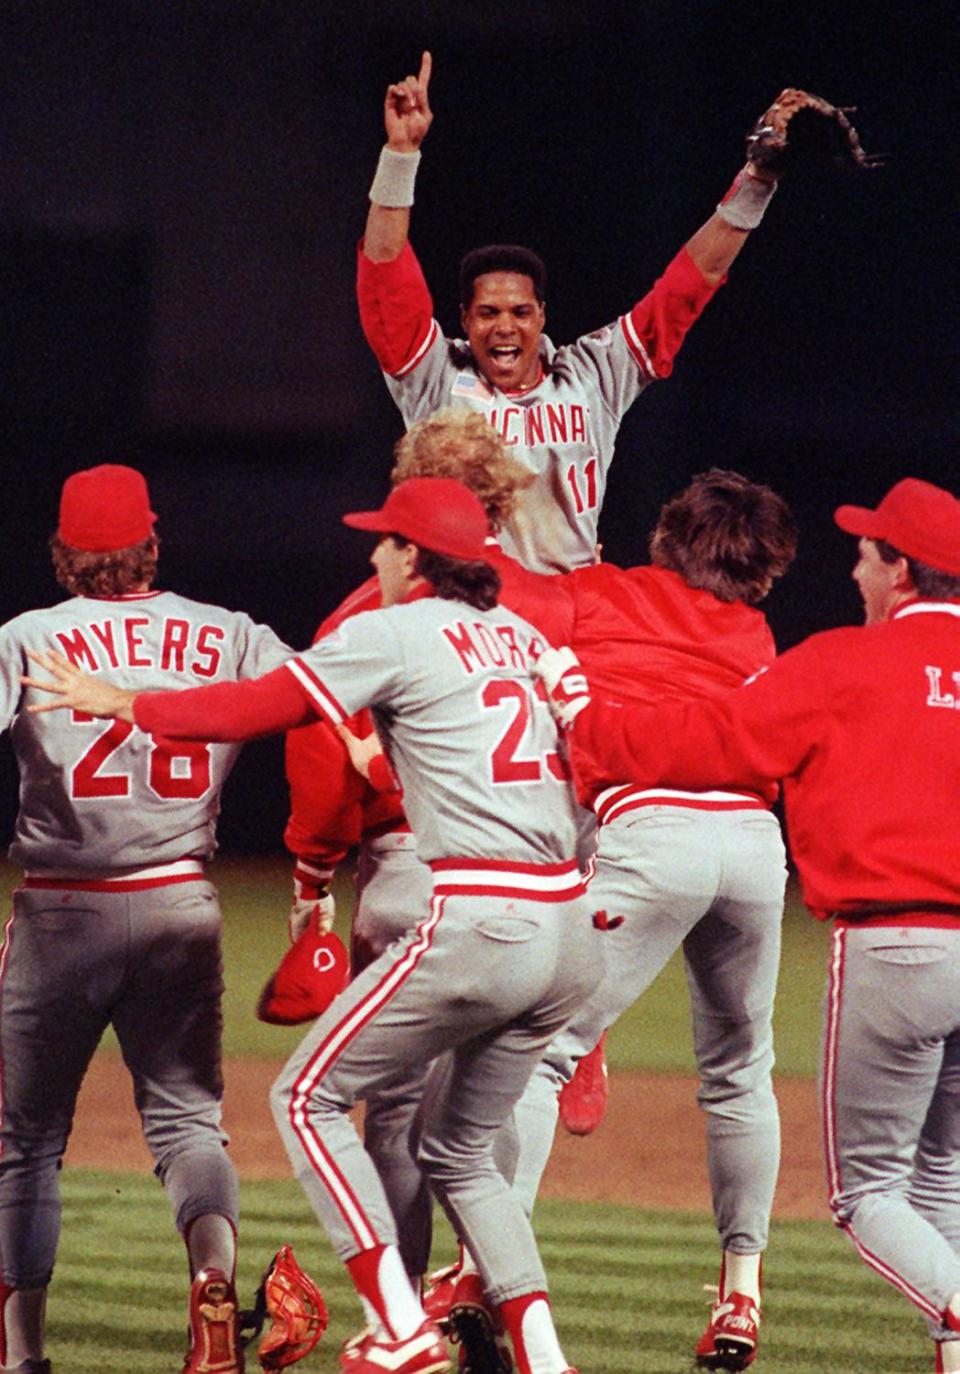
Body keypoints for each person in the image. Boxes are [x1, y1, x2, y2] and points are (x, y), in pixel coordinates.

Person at [24, 477, 603, 1374]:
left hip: (484, 917)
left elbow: (264, 708)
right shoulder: (528, 639)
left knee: (304, 1097)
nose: (374, 557)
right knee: (460, 1153)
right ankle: (544, 1358)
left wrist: (130, 702)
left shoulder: (393, 627)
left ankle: (400, 1329)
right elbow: (597, 757)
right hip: (571, 927)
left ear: (415, 558)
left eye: (385, 544)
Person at [536, 477, 960, 1374]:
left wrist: (590, 721)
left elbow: (707, 741)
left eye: (868, 549)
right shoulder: (767, 637)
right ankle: (774, 1300)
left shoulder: (840, 659)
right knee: (930, 1177)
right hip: (779, 868)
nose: (854, 562)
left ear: (901, 569)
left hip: (877, 935)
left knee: (871, 1193)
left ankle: (485, 1276)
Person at [0, 464, 295, 1374]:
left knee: (27, 1143)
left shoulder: (28, 636)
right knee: (186, 1123)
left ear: (63, 550)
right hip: (178, 898)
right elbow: (328, 710)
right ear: (150, 543)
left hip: (61, 909)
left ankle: (22, 1357)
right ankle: (211, 1291)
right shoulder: (229, 634)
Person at [359, 53, 821, 575]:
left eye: (520, 311)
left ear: (542, 317)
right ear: (464, 320)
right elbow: (385, 275)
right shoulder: (435, 377)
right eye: (487, 313)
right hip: (467, 607)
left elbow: (684, 290)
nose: (505, 326)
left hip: (569, 605)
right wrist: (400, 155)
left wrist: (757, 182)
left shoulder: (591, 375)